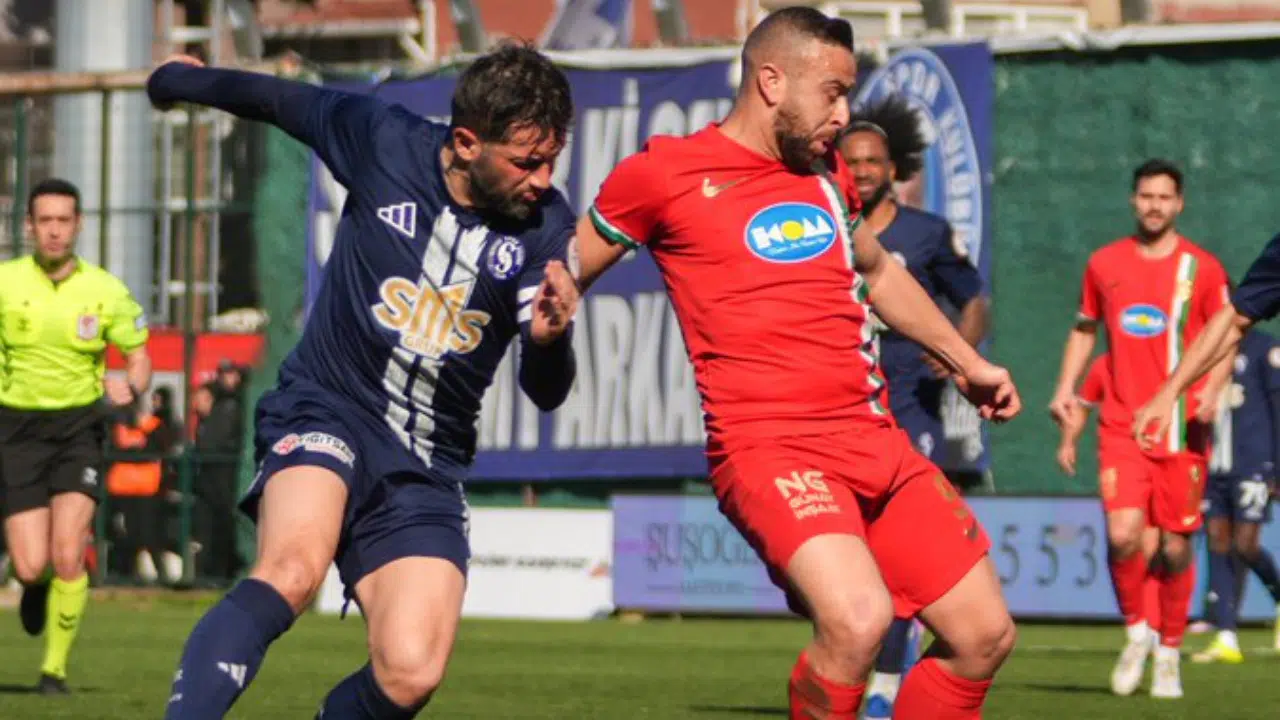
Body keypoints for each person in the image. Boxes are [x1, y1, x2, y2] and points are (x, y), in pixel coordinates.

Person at [572, 7, 1020, 719]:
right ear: (771, 81)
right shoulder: (664, 173)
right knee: (859, 620)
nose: (844, 115)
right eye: (833, 93)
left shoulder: (826, 172)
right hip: (771, 450)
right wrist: (544, 312)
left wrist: (966, 362)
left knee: (983, 635)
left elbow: (878, 270)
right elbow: (567, 269)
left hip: (873, 442)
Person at [148, 42, 580, 719]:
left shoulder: (547, 228)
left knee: (410, 672)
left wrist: (551, 342)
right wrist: (178, 80)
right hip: (326, 408)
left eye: (553, 159)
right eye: (527, 162)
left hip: (425, 463)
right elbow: (277, 100)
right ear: (466, 143)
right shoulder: (385, 142)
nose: (542, 179)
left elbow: (545, 390)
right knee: (292, 569)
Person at [1048, 158, 1232, 699]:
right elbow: (1084, 329)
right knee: (1124, 535)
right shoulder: (1105, 263)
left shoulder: (1203, 269)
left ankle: (1169, 651)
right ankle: (1136, 633)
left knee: (1174, 549)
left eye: (1164, 197)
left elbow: (1228, 334)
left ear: (1180, 204)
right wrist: (1065, 388)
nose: (1154, 206)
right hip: (1123, 426)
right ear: (1133, 200)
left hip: (1181, 428)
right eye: (1146, 196)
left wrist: (1214, 390)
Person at [837, 93, 990, 719]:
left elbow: (974, 299)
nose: (862, 171)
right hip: (845, 409)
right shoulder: (819, 228)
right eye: (852, 161)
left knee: (895, 551)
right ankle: (872, 669)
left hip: (912, 409)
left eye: (872, 161)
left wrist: (959, 353)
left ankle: (885, 685)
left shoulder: (926, 234)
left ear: (893, 167)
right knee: (856, 558)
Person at [0, 177, 153, 694]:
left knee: (69, 553)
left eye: (63, 221)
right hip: (17, 429)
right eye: (45, 220)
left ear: (79, 225)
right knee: (30, 564)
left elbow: (138, 355)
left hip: (78, 430)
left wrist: (132, 384)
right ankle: (34, 586)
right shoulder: (6, 282)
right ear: (29, 226)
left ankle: (54, 672)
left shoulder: (105, 290)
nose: (54, 231)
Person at [1056, 353, 1163, 636]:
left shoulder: (1168, 359)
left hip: (1161, 450)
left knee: (1153, 546)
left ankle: (1153, 628)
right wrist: (1068, 442)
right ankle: (1136, 625)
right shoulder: (1107, 364)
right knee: (1122, 536)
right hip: (1120, 452)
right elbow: (1084, 405)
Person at [1190, 328, 1280, 662]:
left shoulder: (1265, 348)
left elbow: (1277, 409)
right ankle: (1226, 635)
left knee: (1245, 544)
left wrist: (1276, 468)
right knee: (1217, 538)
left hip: (1254, 462)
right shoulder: (1205, 347)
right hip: (1214, 463)